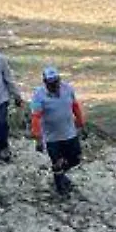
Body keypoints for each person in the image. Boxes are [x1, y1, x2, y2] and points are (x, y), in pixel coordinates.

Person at [29, 65, 86, 196]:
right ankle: (61, 189)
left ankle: (61, 174)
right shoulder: (39, 95)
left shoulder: (68, 89)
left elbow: (75, 105)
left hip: (69, 132)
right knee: (57, 163)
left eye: (56, 81)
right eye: (51, 83)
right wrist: (38, 138)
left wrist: (80, 121)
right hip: (52, 137)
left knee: (76, 159)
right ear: (45, 83)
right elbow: (36, 117)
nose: (54, 85)